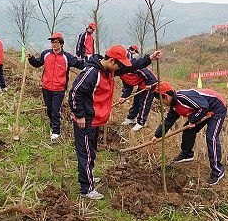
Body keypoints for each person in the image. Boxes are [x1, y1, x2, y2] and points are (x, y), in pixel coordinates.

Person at [68, 45, 163, 199]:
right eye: (119, 64)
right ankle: (86, 189)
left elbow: (130, 67)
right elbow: (74, 93)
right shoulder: (92, 73)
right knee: (85, 153)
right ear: (112, 61)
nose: (120, 68)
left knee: (91, 151)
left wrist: (149, 59)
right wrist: (79, 116)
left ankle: (89, 176)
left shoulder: (109, 70)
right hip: (85, 121)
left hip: (95, 120)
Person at [150, 81, 228, 186]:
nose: (162, 103)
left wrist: (193, 120)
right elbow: (168, 121)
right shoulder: (174, 106)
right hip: (204, 109)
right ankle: (187, 154)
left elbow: (204, 106)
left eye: (161, 100)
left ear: (166, 97)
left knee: (211, 137)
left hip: (216, 107)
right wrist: (157, 135)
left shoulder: (183, 98)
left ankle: (218, 170)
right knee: (188, 130)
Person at [27, 33, 81, 140]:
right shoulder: (45, 54)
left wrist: (94, 63)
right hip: (46, 87)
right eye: (52, 42)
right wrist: (31, 58)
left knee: (56, 110)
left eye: (56, 42)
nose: (54, 44)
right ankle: (52, 125)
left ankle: (56, 131)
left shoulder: (67, 57)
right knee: (49, 109)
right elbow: (37, 63)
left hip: (59, 89)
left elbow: (80, 64)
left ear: (61, 44)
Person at [118, 63, 157, 131]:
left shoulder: (128, 67)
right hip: (141, 84)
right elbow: (128, 86)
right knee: (136, 101)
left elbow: (144, 71)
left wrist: (149, 83)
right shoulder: (121, 74)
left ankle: (141, 122)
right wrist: (124, 97)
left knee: (144, 103)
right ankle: (131, 118)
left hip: (150, 83)